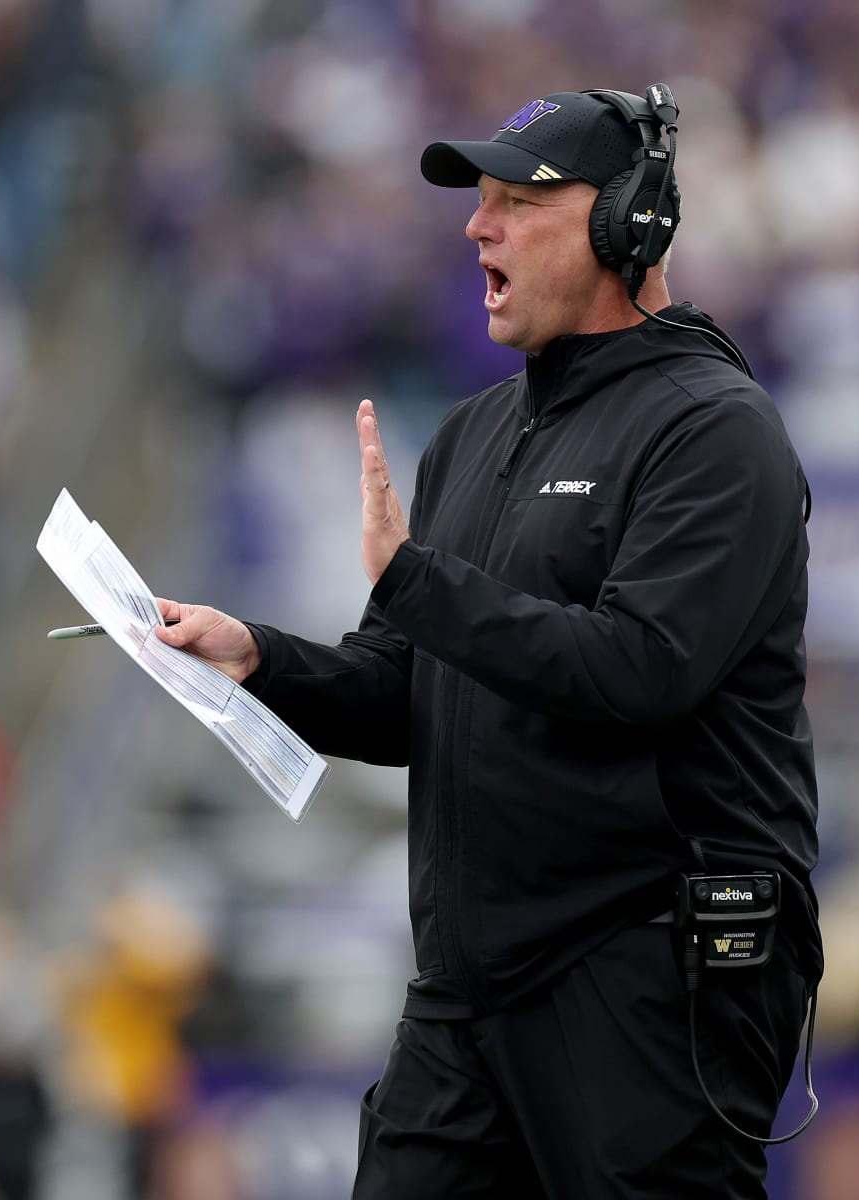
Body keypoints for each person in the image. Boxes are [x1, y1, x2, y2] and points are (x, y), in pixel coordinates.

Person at [156, 86, 821, 1198]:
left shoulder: (716, 430)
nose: (478, 227)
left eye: (518, 201)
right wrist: (259, 659)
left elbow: (638, 671)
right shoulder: (473, 434)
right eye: (480, 201)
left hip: (642, 974)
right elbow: (408, 689)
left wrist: (419, 582)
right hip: (471, 984)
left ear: (628, 225)